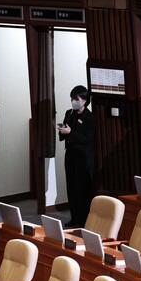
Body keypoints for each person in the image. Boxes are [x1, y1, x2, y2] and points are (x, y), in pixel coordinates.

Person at [58, 85, 96, 228]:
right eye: (72, 99)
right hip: (71, 155)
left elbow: (87, 138)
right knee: (71, 187)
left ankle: (84, 220)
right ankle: (74, 218)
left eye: (76, 99)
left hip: (84, 158)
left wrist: (70, 132)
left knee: (83, 189)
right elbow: (65, 132)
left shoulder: (90, 117)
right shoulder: (69, 113)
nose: (73, 102)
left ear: (84, 101)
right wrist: (62, 131)